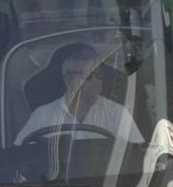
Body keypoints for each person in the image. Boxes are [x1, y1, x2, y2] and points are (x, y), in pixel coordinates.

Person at [13, 37, 144, 146]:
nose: (96, 80)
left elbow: (138, 156)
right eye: (88, 76)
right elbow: (21, 156)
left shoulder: (118, 114)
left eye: (99, 74)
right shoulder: (43, 115)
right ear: (67, 79)